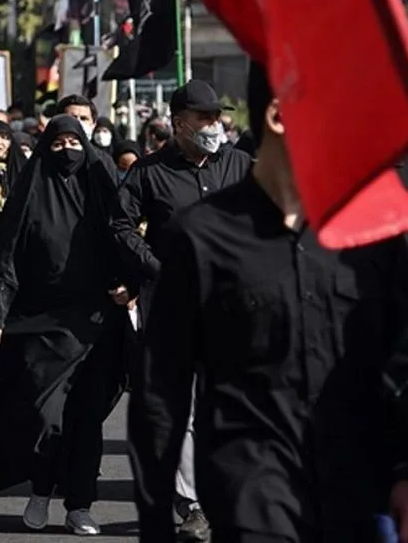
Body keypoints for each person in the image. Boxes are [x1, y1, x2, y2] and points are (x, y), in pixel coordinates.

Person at [130, 62, 408, 541]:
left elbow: (404, 362)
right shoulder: (201, 238)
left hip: (360, 495)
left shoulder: (374, 235)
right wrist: (155, 520)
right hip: (253, 499)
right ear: (280, 116)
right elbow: (161, 392)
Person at [111, 79, 254, 540]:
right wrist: (155, 267)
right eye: (204, 117)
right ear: (179, 123)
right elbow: (120, 225)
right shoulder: (148, 173)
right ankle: (195, 505)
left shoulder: (240, 165)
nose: (214, 125)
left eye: (217, 116)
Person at [0, 115, 130, 535]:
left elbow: (123, 241)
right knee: (46, 417)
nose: (67, 151)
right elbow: (8, 257)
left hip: (95, 325)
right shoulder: (31, 192)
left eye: (74, 143)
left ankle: (80, 505)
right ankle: (42, 488)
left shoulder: (101, 190)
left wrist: (127, 285)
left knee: (87, 419)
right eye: (58, 144)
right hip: (40, 324)